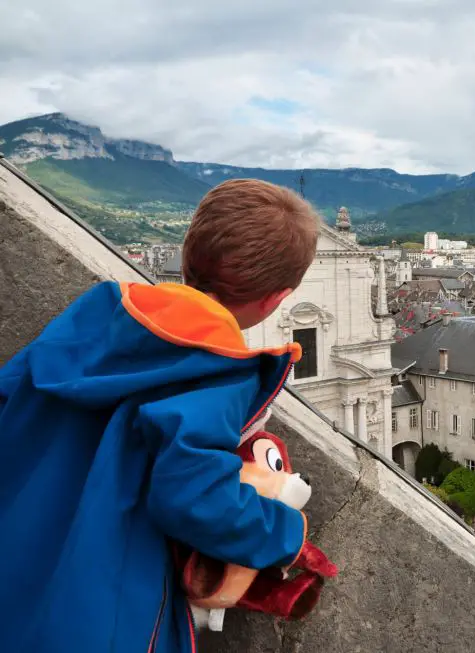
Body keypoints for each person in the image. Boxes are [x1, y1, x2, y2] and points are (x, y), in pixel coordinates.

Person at [0, 179, 321, 653]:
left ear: (189, 251)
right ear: (277, 298)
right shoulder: (216, 367)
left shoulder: (97, 314)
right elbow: (194, 498)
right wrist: (287, 534)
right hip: (99, 609)